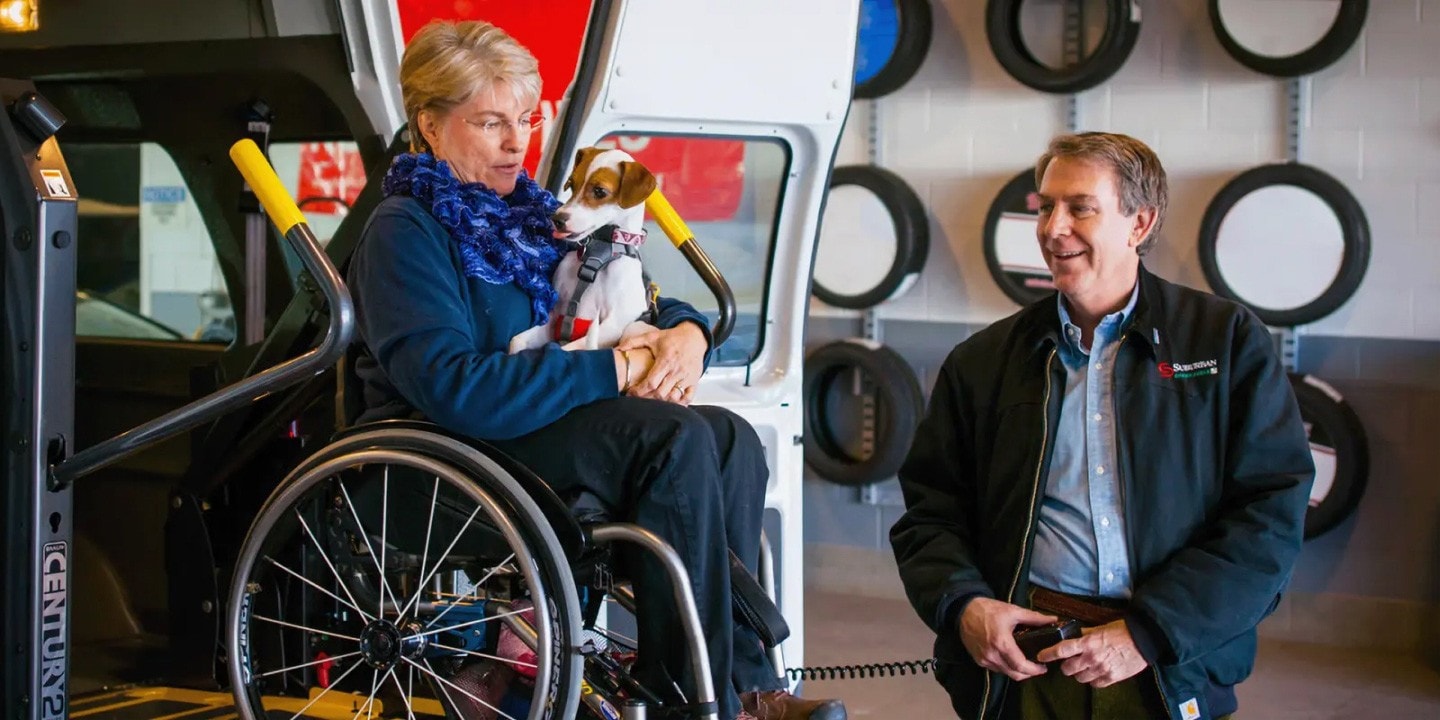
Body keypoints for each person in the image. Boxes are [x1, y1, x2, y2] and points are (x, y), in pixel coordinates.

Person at [346, 19, 845, 720]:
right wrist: (616, 367)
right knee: (673, 440)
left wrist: (687, 334)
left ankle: (745, 686)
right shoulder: (406, 231)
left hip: (535, 429)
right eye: (491, 123)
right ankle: (692, 700)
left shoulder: (531, 215)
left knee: (729, 438)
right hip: (450, 450)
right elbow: (456, 387)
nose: (517, 143)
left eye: (525, 120)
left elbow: (634, 293)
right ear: (430, 125)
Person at [890, 132, 1313, 720]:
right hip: (1027, 663)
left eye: (1080, 208)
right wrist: (964, 605)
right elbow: (931, 512)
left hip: (1165, 662)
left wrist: (1150, 632)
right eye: (1046, 207)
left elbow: (1268, 513)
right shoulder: (983, 362)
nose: (1052, 227)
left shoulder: (1224, 342)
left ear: (1140, 222)